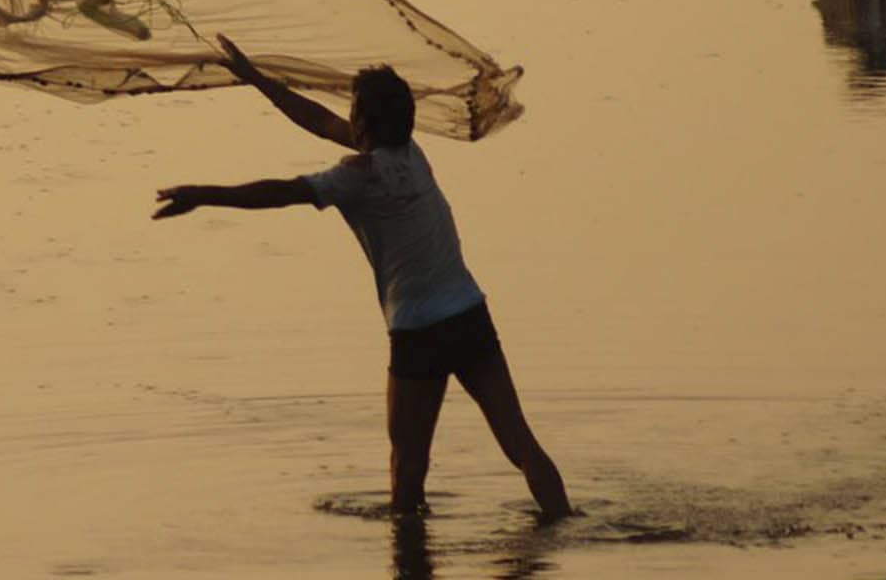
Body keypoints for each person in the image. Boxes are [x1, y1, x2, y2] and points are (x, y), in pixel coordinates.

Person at [152, 34, 573, 520]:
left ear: (365, 124)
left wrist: (202, 194)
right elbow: (316, 119)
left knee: (407, 468)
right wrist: (256, 79)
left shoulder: (357, 176)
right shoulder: (411, 154)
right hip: (469, 314)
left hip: (419, 331)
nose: (347, 117)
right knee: (520, 443)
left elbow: (281, 192)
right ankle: (565, 525)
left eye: (353, 110)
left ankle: (409, 552)